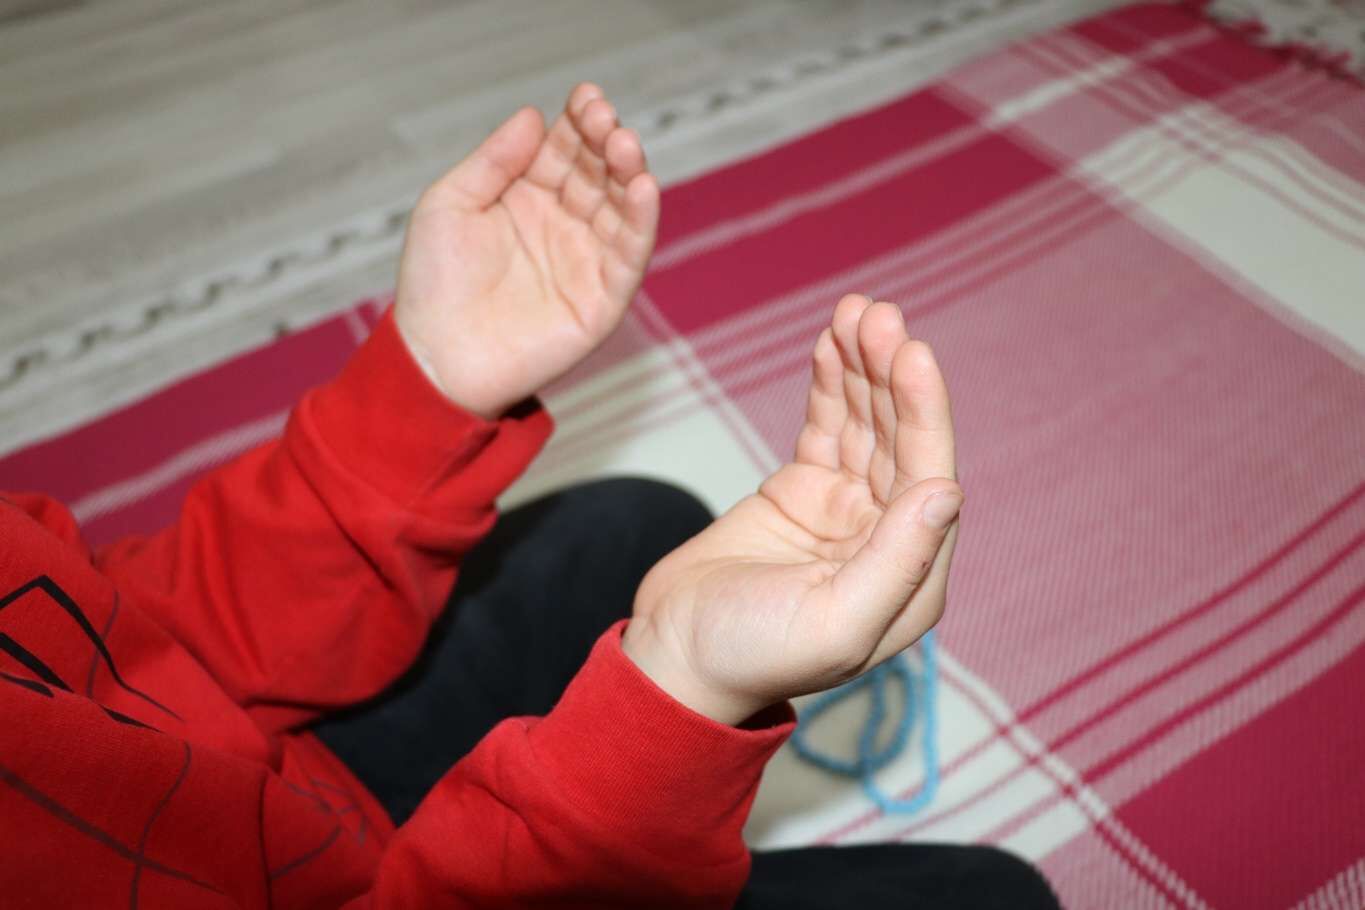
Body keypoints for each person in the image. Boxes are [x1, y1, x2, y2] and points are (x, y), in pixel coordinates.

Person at [0, 83, 1058, 908]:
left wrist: (423, 387)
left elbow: (138, 630)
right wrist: (674, 695)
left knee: (642, 524)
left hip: (275, 784)